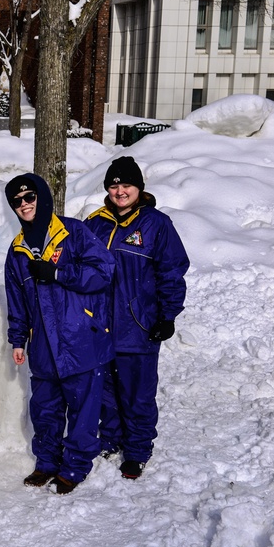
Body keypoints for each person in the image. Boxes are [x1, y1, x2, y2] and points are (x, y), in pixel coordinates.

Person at [4, 173, 114, 494]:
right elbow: (17, 301)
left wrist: (58, 272)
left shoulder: (74, 233)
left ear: (42, 197)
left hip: (80, 338)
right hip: (42, 346)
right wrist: (17, 338)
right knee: (45, 408)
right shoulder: (17, 251)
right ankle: (47, 462)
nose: (24, 205)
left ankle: (75, 466)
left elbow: (103, 271)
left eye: (29, 197)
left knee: (82, 407)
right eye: (17, 201)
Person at [84, 156, 189, 480]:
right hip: (100, 325)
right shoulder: (96, 223)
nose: (119, 191)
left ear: (139, 188)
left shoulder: (156, 224)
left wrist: (167, 315)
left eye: (126, 184)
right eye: (114, 185)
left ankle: (138, 449)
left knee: (137, 393)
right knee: (106, 390)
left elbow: (172, 271)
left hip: (138, 326)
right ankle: (111, 439)